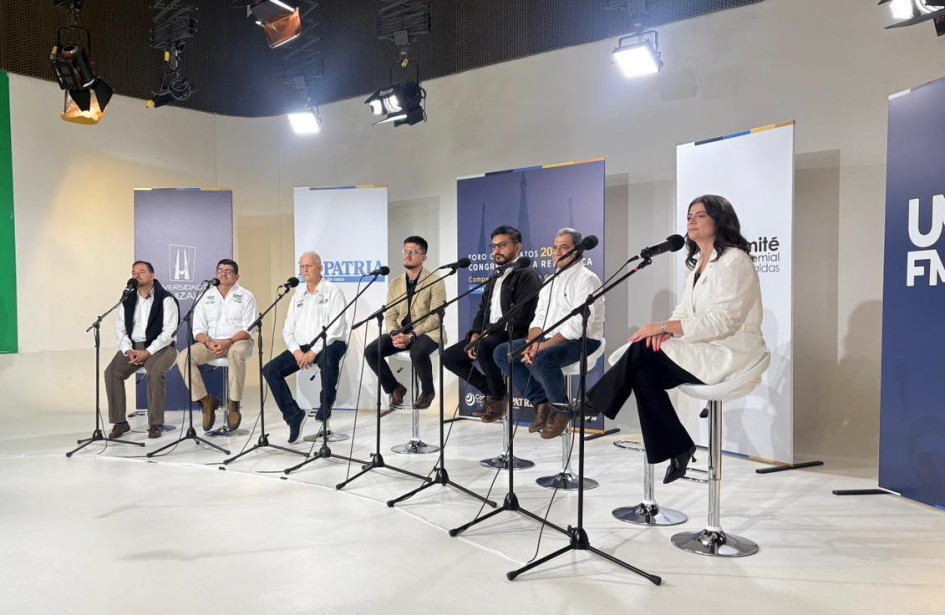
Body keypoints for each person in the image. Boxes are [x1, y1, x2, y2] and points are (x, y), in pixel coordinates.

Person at [553, 194, 766, 484]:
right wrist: (667, 329)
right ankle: (678, 446)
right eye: (689, 215)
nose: (691, 220)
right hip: (702, 347)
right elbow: (685, 312)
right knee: (643, 374)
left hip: (730, 352)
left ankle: (592, 403)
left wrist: (664, 326)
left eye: (700, 215)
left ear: (720, 219)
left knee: (642, 348)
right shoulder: (699, 263)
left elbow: (724, 322)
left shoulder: (734, 261)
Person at [494, 228, 604, 439]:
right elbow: (539, 318)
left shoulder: (586, 279)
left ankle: (561, 410)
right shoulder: (550, 281)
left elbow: (577, 324)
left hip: (583, 339)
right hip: (551, 338)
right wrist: (532, 342)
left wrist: (543, 346)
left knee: (544, 359)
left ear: (578, 251)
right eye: (555, 247)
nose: (557, 252)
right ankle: (541, 402)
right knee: (502, 353)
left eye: (564, 247)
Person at [441, 225, 540, 422]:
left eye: (502, 245)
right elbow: (482, 310)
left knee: (485, 346)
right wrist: (476, 333)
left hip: (515, 333)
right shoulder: (495, 276)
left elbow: (521, 315)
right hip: (490, 334)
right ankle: (494, 390)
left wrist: (488, 335)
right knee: (450, 357)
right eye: (493, 246)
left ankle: (497, 399)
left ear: (518, 247)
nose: (496, 251)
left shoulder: (527, 274)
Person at [262, 251, 349, 444]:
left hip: (331, 343)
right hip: (302, 347)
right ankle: (294, 415)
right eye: (302, 266)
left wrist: (313, 351)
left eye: (309, 266)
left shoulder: (333, 291)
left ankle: (325, 406)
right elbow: (288, 329)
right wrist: (297, 351)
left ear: (320, 267)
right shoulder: (298, 294)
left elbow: (336, 328)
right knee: (269, 369)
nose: (305, 270)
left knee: (327, 360)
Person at [365, 236, 446, 410]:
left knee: (417, 351)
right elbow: (390, 314)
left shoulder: (435, 281)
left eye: (413, 252)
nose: (407, 255)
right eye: (405, 251)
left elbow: (436, 317)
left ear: (423, 257)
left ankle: (428, 392)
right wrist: (394, 333)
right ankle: (395, 387)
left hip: (427, 332)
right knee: (371, 351)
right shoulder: (395, 283)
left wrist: (412, 335)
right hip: (402, 331)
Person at [175, 259, 257, 432]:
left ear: (236, 277)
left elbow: (249, 328)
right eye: (220, 270)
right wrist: (208, 342)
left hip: (239, 341)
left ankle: (234, 403)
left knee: (235, 353)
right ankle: (206, 401)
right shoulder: (205, 296)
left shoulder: (246, 296)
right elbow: (198, 329)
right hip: (210, 342)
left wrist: (228, 342)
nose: (223, 273)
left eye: (228, 271)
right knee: (184, 357)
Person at [104, 261, 180, 439]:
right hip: (134, 347)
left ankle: (155, 424)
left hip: (161, 347)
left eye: (141, 271)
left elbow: (169, 332)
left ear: (152, 275)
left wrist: (149, 351)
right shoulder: (127, 300)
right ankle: (120, 422)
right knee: (112, 372)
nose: (136, 275)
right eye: (134, 272)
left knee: (154, 373)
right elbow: (120, 329)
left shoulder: (166, 299)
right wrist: (127, 350)